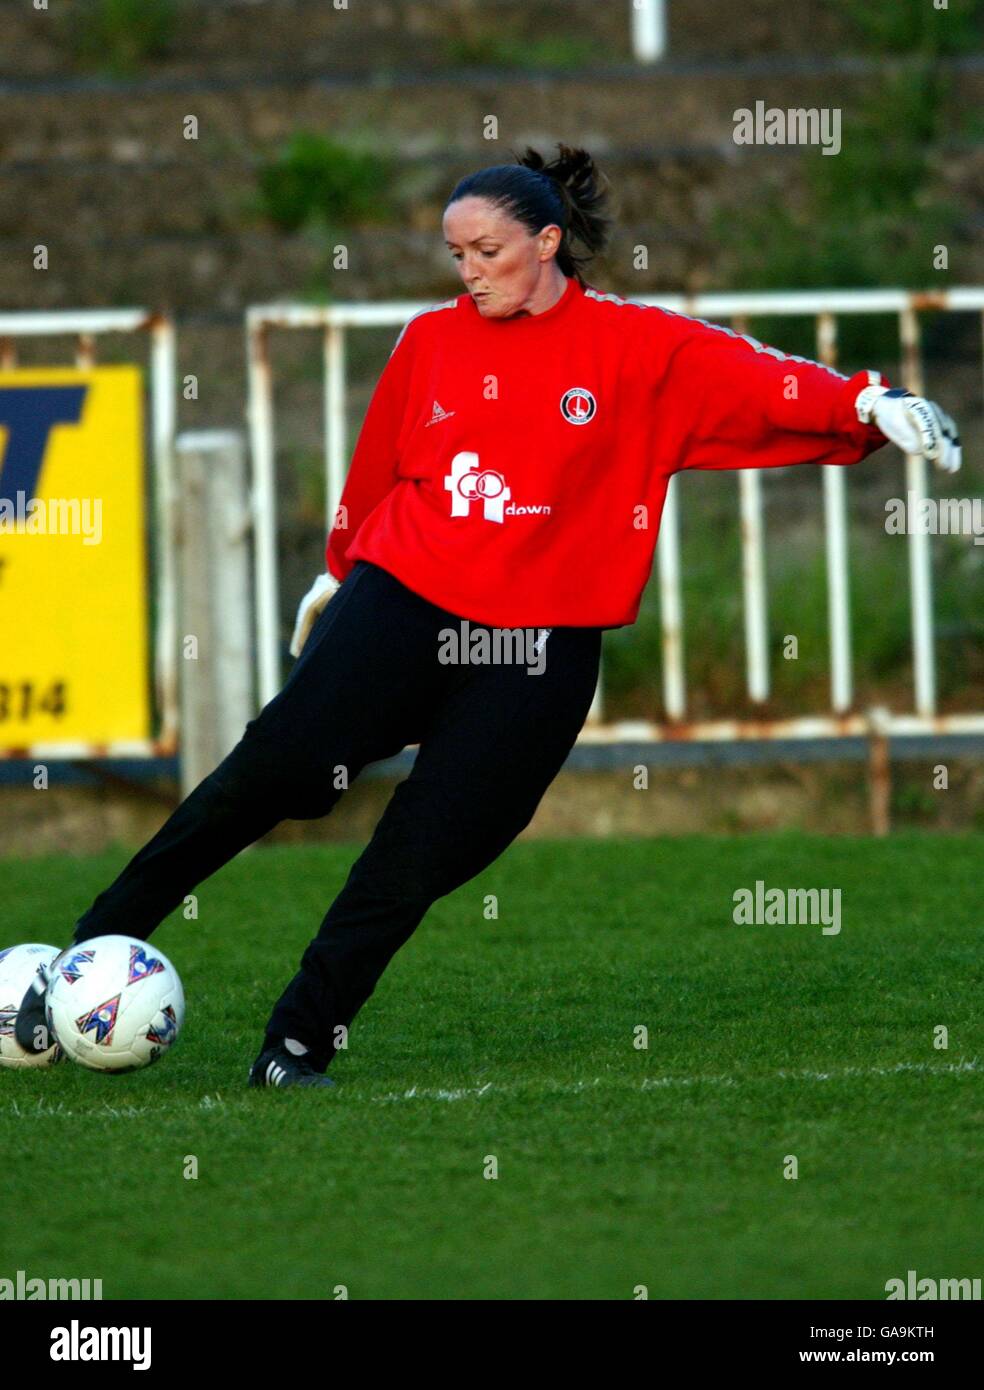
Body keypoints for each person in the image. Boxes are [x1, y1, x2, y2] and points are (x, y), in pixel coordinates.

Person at [16, 144, 960, 1088]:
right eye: (455, 253)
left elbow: (761, 381)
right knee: (273, 770)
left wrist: (870, 402)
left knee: (422, 853)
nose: (468, 272)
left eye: (488, 251)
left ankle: (298, 1043)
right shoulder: (430, 341)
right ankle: (86, 955)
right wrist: (340, 570)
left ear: (549, 242)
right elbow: (380, 463)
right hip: (408, 598)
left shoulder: (640, 346)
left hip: (541, 648)